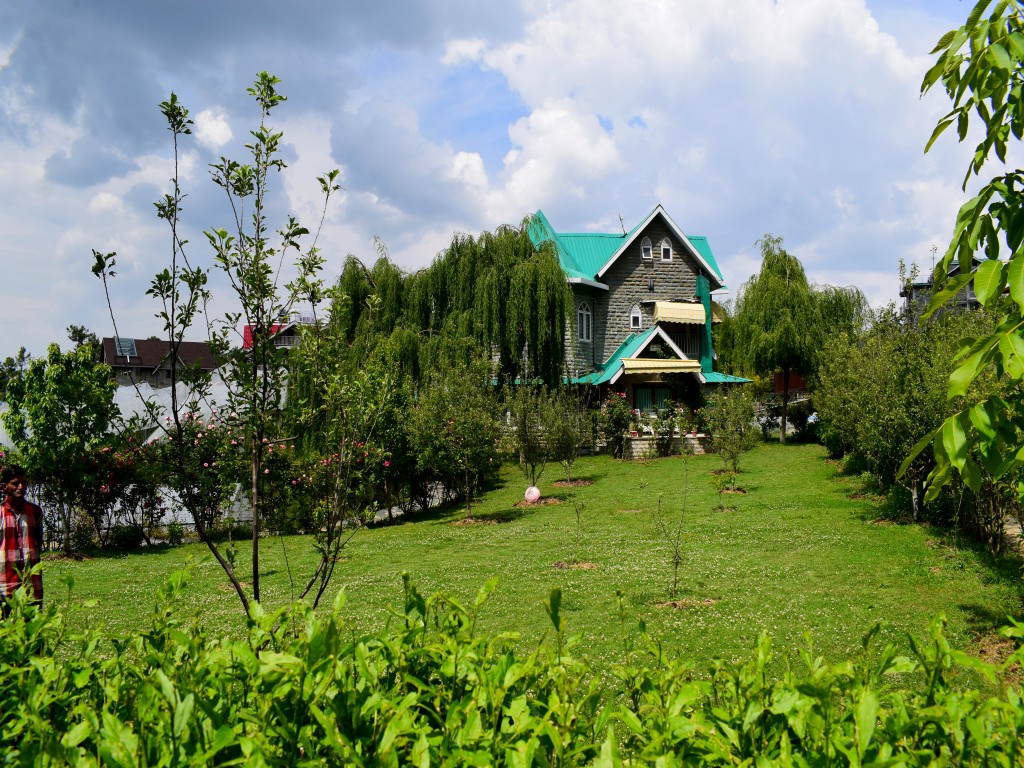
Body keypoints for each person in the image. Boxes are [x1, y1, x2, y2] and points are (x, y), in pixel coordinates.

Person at [0, 465, 44, 617]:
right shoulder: (0, 512)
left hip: (32, 583)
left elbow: (39, 542)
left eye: (24, 483)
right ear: (4, 487)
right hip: (5, 585)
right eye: (16, 483)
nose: (21, 487)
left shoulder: (35, 511)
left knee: (34, 632)